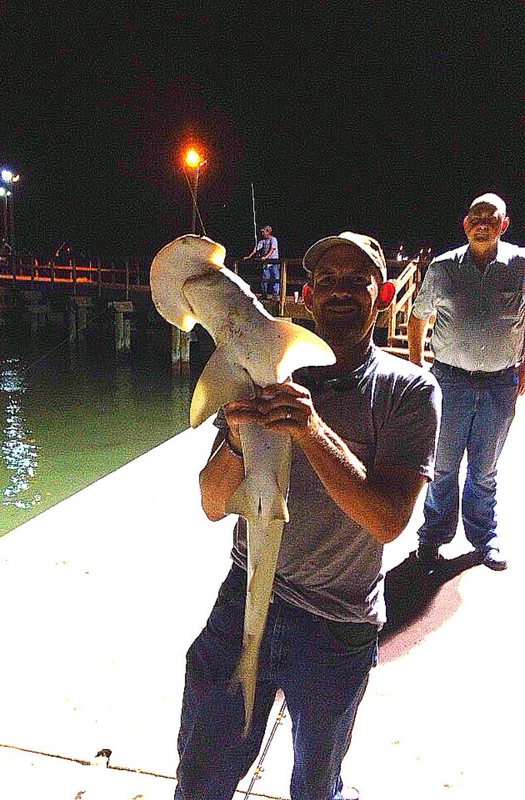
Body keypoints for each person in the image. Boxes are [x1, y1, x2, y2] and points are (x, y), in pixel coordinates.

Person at [175, 231, 441, 800]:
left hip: (337, 623)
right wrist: (237, 441)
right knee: (199, 776)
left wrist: (312, 429)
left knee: (316, 787)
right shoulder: (260, 371)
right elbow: (213, 503)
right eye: (327, 281)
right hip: (246, 596)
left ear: (383, 295)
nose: (340, 291)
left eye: (356, 282)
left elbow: (388, 521)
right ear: (305, 295)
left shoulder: (411, 391)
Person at [408, 193, 525, 572]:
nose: (482, 224)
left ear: (504, 224)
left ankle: (485, 537)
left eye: (491, 218)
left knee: (484, 469)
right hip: (449, 382)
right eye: (476, 217)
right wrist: (417, 367)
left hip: (500, 384)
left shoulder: (520, 266)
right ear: (465, 224)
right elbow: (418, 318)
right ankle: (432, 537)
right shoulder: (443, 268)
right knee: (441, 467)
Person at [244, 225, 280, 297]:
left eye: (263, 232)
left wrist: (266, 256)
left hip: (274, 262)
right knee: (264, 278)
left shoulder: (273, 239)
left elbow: (272, 249)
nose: (262, 233)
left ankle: (275, 294)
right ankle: (264, 294)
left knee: (275, 278)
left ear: (268, 232)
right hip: (266, 262)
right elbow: (256, 249)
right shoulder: (262, 241)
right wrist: (249, 256)